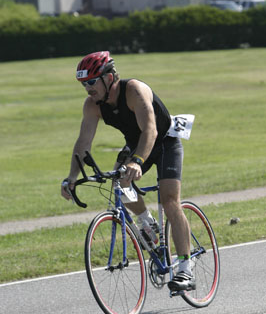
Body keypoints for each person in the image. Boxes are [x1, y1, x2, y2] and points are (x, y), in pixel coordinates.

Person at [61, 51, 195, 292]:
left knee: (169, 200)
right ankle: (147, 222)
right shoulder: (93, 105)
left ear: (109, 77)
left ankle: (186, 268)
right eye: (83, 84)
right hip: (135, 144)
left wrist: (137, 161)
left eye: (92, 82)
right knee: (119, 184)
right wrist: (72, 176)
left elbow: (151, 131)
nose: (88, 89)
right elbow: (83, 143)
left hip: (164, 141)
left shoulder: (134, 90)